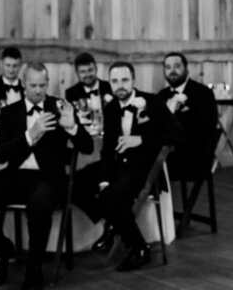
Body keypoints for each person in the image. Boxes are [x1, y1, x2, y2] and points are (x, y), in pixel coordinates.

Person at [0, 62, 94, 290]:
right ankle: (1, 246)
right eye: (33, 85)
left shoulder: (60, 107)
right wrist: (30, 135)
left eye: (42, 85)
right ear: (24, 84)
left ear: (48, 84)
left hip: (49, 179)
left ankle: (34, 267)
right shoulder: (9, 113)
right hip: (16, 176)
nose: (37, 90)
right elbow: (0, 155)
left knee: (39, 202)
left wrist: (73, 127)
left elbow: (87, 147)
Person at [72, 61, 181, 272]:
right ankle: (113, 222)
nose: (119, 85)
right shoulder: (111, 107)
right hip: (117, 166)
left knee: (110, 196)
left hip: (144, 169)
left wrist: (140, 139)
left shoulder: (152, 102)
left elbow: (178, 135)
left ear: (133, 80)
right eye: (114, 81)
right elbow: (107, 151)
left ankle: (139, 248)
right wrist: (103, 180)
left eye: (124, 80)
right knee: (77, 181)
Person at [158, 52, 218, 182]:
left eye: (176, 66)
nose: (172, 71)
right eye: (168, 67)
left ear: (186, 69)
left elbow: (207, 131)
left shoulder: (203, 93)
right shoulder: (161, 96)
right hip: (166, 155)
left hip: (194, 157)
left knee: (147, 167)